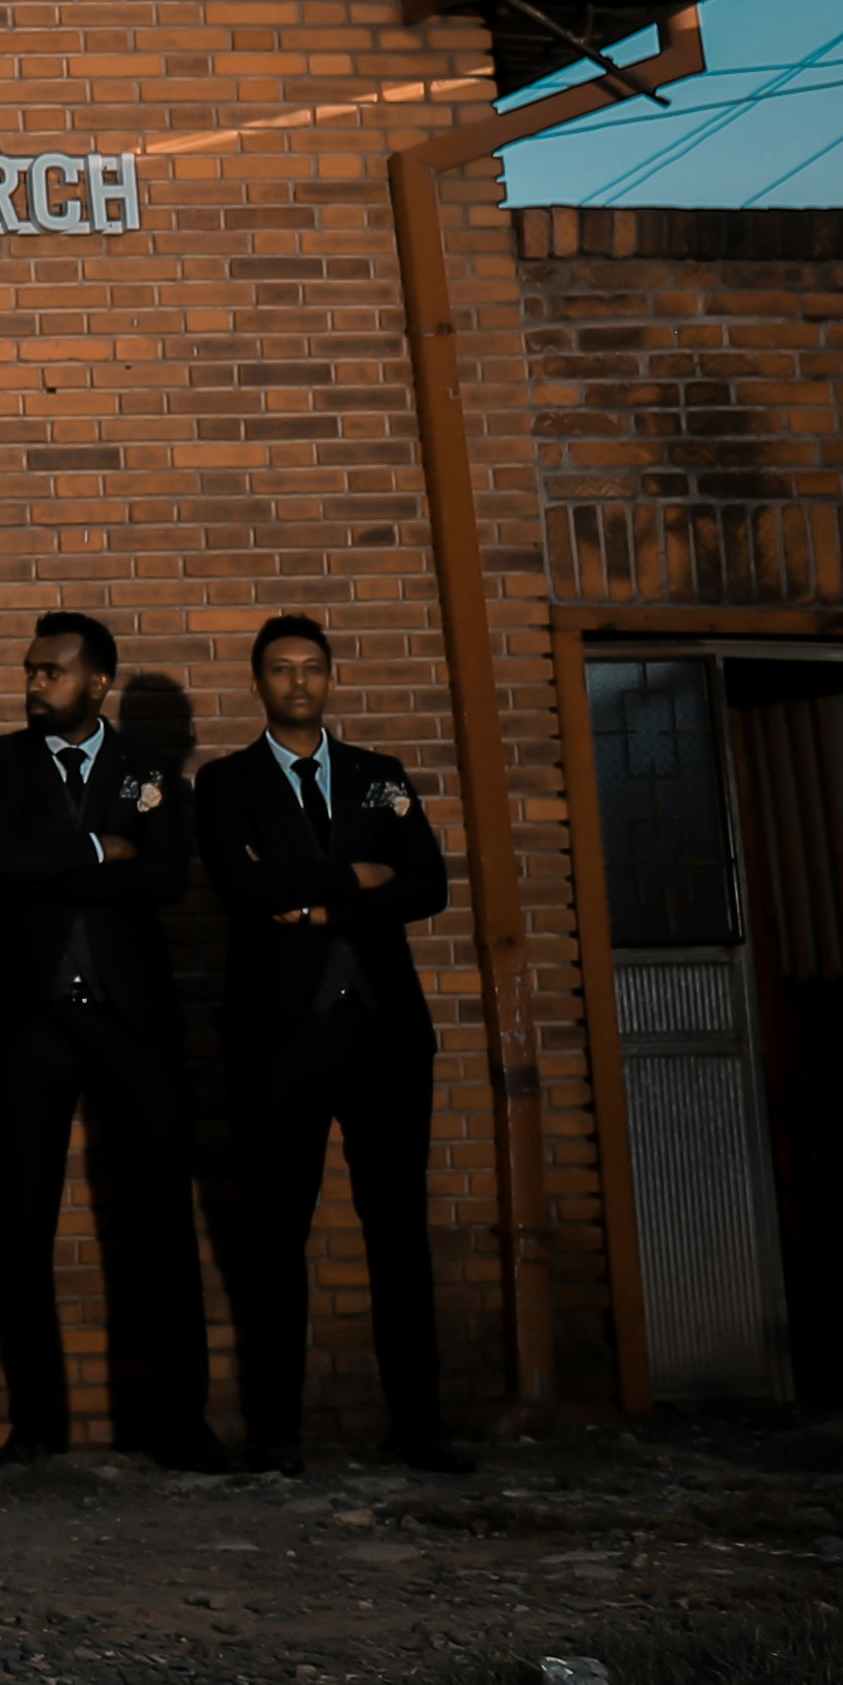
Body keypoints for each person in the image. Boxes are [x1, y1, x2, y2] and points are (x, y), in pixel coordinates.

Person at [192, 615, 474, 1475]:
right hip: (278, 1038)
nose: (298, 683)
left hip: (383, 1034)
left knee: (398, 1231)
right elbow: (242, 886)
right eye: (280, 670)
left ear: (330, 676)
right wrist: (361, 875)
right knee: (275, 1234)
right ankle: (277, 1433)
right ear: (258, 682)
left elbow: (426, 881)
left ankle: (417, 1425)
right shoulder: (225, 783)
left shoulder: (376, 778)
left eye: (311, 668)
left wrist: (315, 907)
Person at [0, 611, 219, 1467]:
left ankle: (178, 1426)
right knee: (22, 1222)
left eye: (52, 672)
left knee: (158, 1224)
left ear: (98, 683)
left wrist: (67, 864)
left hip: (130, 1021)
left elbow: (166, 877)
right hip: (26, 1021)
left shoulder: (149, 770)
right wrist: (93, 847)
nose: (34, 684)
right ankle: (37, 1428)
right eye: (31, 671)